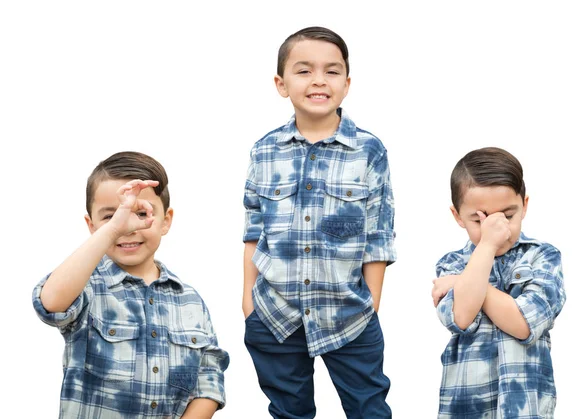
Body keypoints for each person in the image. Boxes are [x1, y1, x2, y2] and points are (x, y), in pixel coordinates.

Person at [242, 26, 396, 418]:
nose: (318, 81)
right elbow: (254, 231)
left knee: (369, 410)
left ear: (346, 83)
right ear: (281, 83)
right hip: (276, 314)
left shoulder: (369, 151)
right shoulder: (264, 151)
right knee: (289, 412)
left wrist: (371, 305)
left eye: (331, 71)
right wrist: (248, 303)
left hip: (348, 313)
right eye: (304, 70)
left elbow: (378, 235)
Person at [32, 151, 229, 418]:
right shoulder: (86, 286)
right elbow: (50, 304)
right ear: (91, 226)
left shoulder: (190, 301)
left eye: (141, 213)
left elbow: (209, 381)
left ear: (166, 221)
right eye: (110, 217)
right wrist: (113, 229)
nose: (127, 226)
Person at [431, 147, 566, 418]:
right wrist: (486, 248)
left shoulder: (543, 257)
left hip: (525, 408)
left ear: (524, 206)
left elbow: (524, 324)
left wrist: (462, 282)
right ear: (458, 216)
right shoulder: (452, 264)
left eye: (507, 216)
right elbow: (461, 318)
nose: (497, 229)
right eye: (481, 219)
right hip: (466, 408)